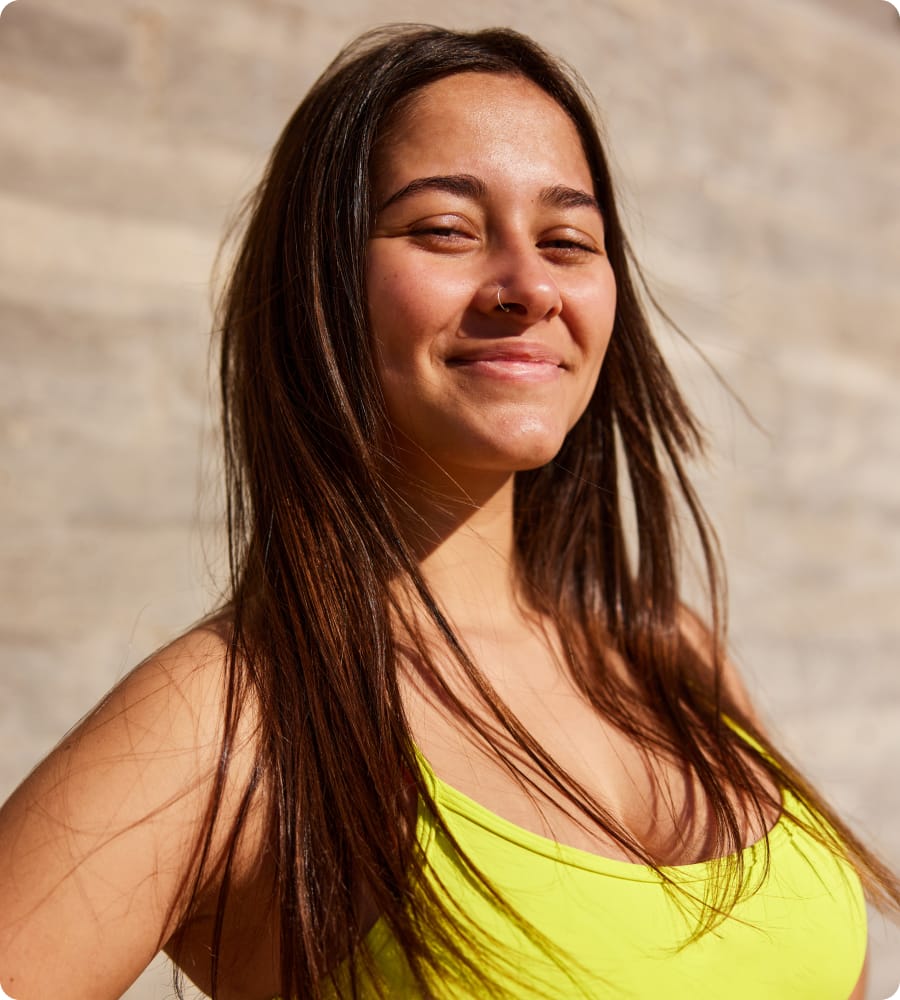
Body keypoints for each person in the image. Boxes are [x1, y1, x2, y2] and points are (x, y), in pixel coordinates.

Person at [0, 23, 895, 1000]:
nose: (529, 286)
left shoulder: (674, 655)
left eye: (568, 240)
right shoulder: (238, 717)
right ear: (322, 283)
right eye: (445, 231)